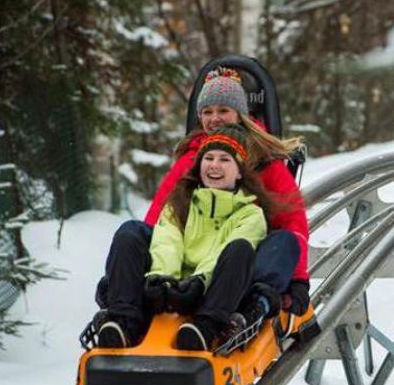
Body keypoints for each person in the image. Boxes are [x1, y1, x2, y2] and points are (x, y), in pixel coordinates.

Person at [98, 67, 310, 333]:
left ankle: (251, 305)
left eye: (223, 110)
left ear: (240, 113)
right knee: (132, 232)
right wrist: (150, 270)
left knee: (282, 242)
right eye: (207, 112)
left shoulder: (265, 159)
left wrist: (299, 279)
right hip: (187, 254)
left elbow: (292, 221)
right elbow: (162, 217)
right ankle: (123, 311)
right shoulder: (191, 158)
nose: (215, 119)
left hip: (235, 260)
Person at [93, 124, 284, 351]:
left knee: (240, 249)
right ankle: (124, 322)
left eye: (225, 159)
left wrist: (199, 282)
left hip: (210, 291)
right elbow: (167, 240)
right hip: (171, 289)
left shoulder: (251, 214)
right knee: (128, 234)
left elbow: (221, 253)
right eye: (208, 158)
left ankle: (205, 329)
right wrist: (162, 278)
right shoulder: (180, 201)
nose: (214, 165)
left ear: (240, 171)